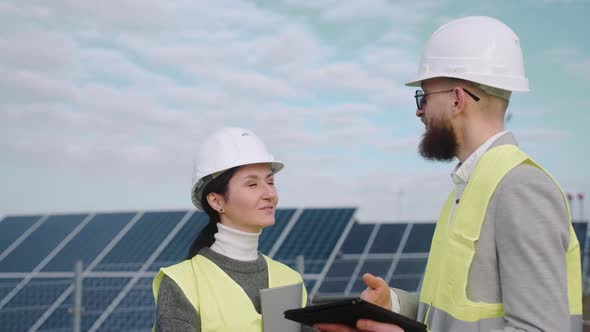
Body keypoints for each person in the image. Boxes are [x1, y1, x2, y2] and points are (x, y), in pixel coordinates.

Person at [316, 16, 582, 332]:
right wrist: (395, 306)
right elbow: (455, 312)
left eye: (424, 96)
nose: (419, 111)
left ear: (456, 100)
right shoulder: (470, 187)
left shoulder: (520, 188)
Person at [152, 127, 308, 331]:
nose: (270, 193)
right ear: (216, 201)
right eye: (252, 184)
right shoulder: (183, 283)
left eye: (270, 181)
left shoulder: (291, 279)